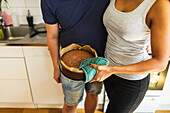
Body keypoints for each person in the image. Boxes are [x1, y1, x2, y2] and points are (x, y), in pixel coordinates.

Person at [89, 0, 170, 113]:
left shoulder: (160, 4)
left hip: (131, 81)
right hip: (108, 71)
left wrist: (112, 70)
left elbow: (160, 63)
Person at [41, 0, 109, 113]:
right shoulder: (48, 1)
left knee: (93, 95)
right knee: (71, 103)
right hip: (69, 65)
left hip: (98, 61)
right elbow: (52, 36)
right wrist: (56, 66)